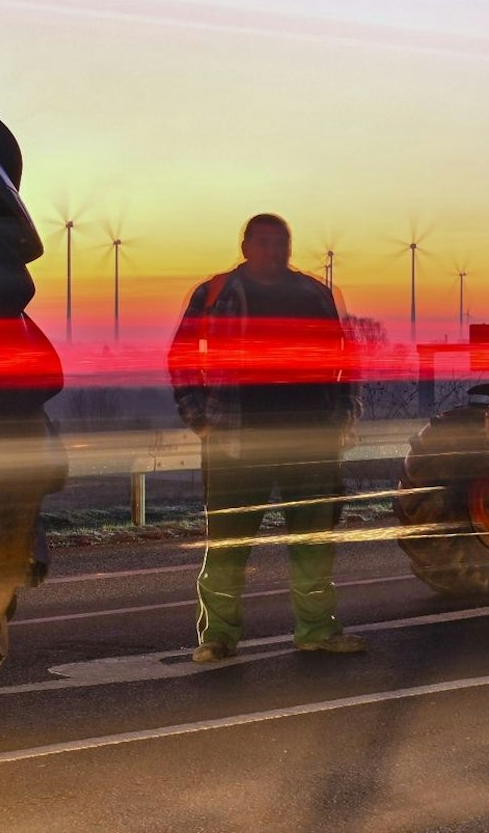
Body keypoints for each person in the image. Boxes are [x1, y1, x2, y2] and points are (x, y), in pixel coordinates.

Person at [168, 213, 366, 661]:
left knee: (313, 543)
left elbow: (348, 358)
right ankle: (217, 637)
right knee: (227, 545)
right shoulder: (216, 293)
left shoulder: (315, 293)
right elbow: (180, 356)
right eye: (265, 243)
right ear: (245, 247)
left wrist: (344, 415)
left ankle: (316, 630)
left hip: (310, 441)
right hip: (237, 442)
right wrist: (199, 420)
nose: (274, 251)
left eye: (282, 243)